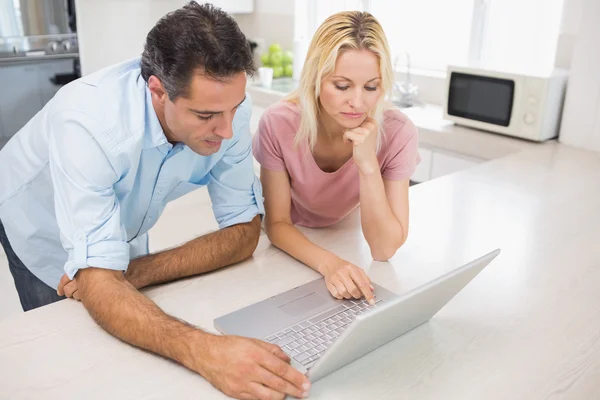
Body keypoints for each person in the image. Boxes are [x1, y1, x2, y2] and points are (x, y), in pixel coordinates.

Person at [0, 3, 310, 399]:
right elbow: (96, 282)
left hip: (124, 215)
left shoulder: (226, 107)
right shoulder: (87, 124)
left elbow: (244, 232)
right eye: (206, 115)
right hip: (34, 214)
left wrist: (132, 273)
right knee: (68, 350)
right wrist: (207, 351)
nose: (228, 129)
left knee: (126, 321)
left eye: (234, 108)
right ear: (158, 92)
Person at [253, 11, 420, 305]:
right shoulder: (278, 122)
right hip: (293, 242)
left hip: (350, 232)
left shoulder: (398, 131)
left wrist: (368, 166)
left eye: (371, 87)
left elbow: (382, 250)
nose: (357, 102)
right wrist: (330, 265)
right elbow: (277, 223)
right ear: (316, 78)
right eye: (342, 86)